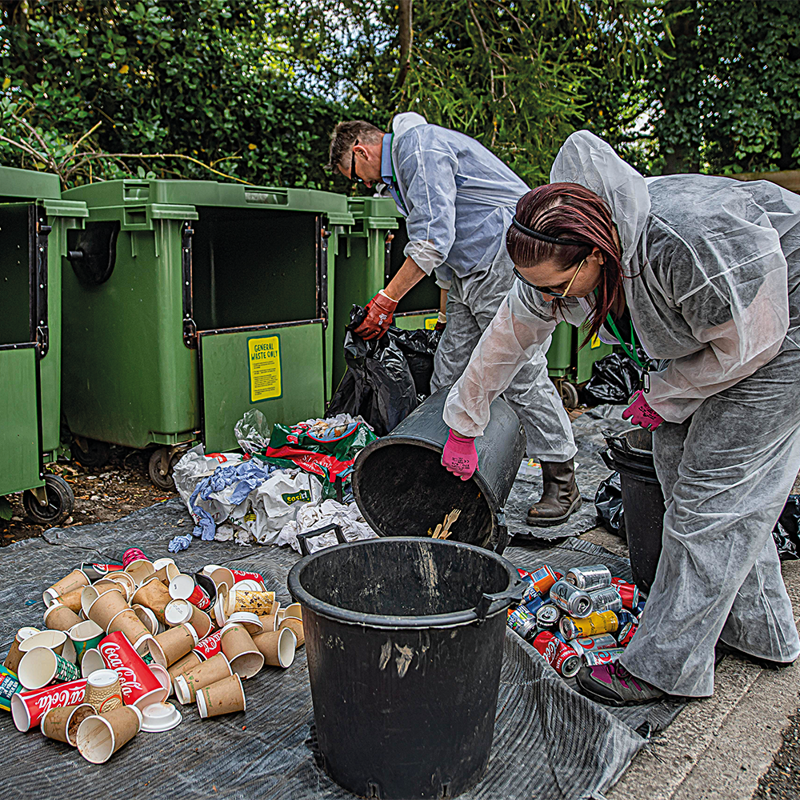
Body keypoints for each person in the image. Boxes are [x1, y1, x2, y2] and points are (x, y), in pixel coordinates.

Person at [441, 129, 800, 706]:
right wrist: (465, 416)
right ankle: (760, 632)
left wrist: (665, 392)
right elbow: (509, 335)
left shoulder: (684, 243)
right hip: (730, 330)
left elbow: (748, 346)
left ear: (598, 255)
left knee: (716, 492)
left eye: (561, 289)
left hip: (782, 327)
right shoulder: (556, 253)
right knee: (679, 466)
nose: (553, 303)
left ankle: (664, 668)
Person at [326, 114, 580, 526]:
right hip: (466, 272)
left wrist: (386, 301)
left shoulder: (418, 149)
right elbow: (443, 245)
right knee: (450, 367)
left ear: (361, 150)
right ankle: (453, 463)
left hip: (502, 259)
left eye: (356, 173)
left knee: (519, 373)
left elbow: (430, 241)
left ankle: (562, 479)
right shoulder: (402, 175)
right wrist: (445, 313)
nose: (365, 183)